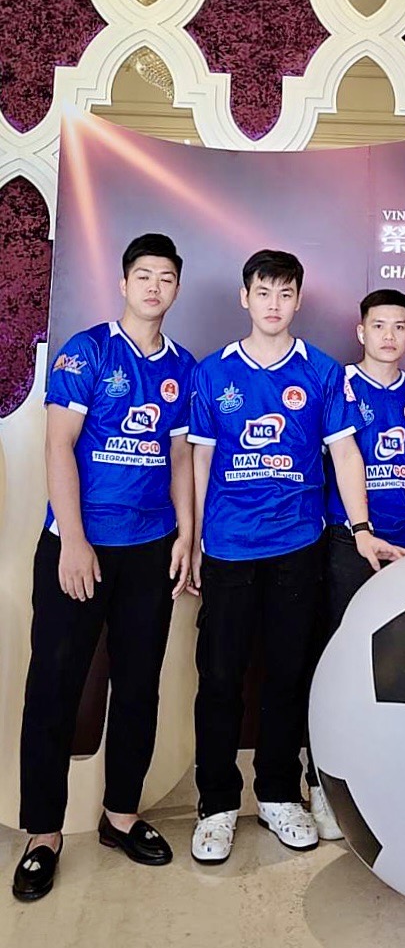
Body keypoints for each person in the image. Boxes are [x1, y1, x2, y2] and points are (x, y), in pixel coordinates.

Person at [188, 250, 405, 864]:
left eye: (285, 294)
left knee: (288, 674)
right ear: (245, 297)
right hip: (229, 548)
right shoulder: (212, 372)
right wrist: (196, 539)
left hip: (298, 546)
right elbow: (199, 459)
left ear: (298, 301)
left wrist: (360, 528)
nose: (274, 304)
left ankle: (279, 794)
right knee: (221, 677)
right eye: (263, 292)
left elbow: (345, 454)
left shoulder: (322, 371)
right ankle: (216, 804)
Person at [14, 234, 195, 902]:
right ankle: (43, 833)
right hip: (79, 545)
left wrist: (187, 535)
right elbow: (59, 444)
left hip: (149, 549)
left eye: (166, 277)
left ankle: (121, 814)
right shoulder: (87, 351)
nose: (154, 287)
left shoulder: (183, 366)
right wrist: (74, 541)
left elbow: (180, 458)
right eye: (143, 275)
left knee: (139, 685)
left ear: (176, 288)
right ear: (123, 283)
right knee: (54, 685)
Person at [322, 288, 405, 633]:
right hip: (350, 536)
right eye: (379, 326)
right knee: (348, 635)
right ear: (361, 332)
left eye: (399, 327)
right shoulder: (339, 385)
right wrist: (360, 529)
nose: (389, 336)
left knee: (402, 641)